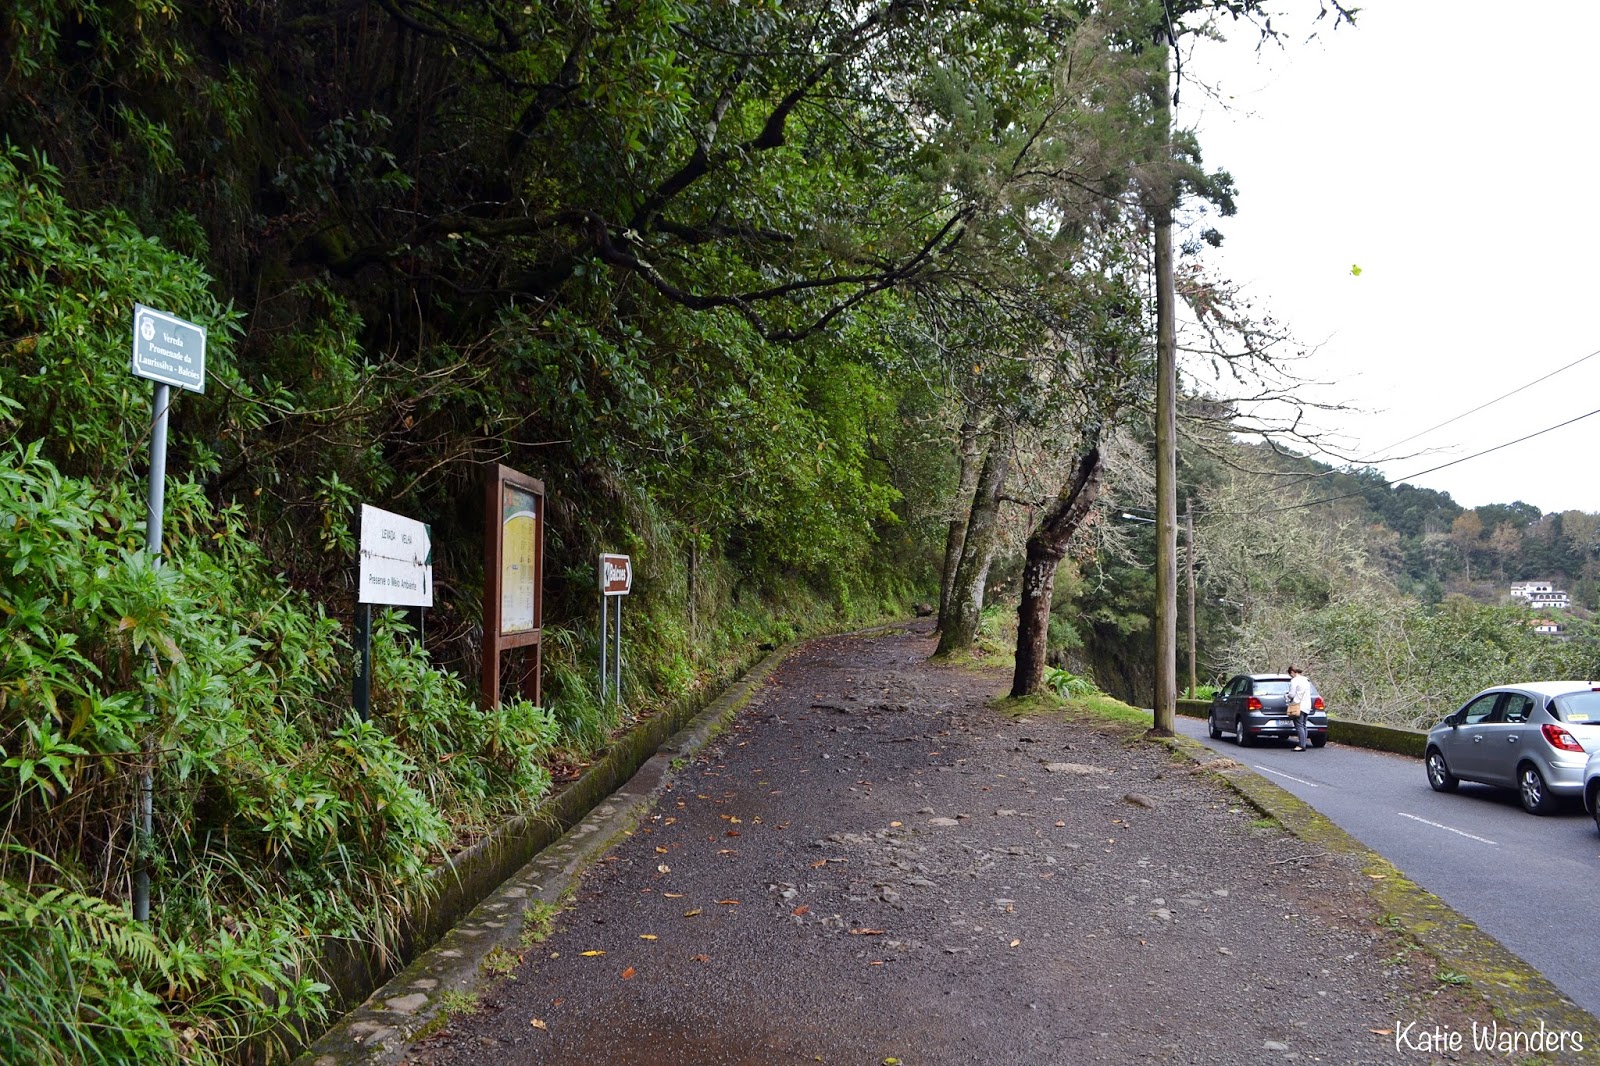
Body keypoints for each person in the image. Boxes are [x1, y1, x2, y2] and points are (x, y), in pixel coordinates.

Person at [1287, 666, 1313, 751]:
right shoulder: (1306, 680)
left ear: (1292, 672)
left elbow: (1291, 694)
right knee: (1304, 725)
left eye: (1290, 674)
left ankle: (1301, 745)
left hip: (1298, 705)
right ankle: (1303, 743)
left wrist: (1286, 696)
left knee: (1299, 726)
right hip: (1307, 705)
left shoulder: (1294, 680)